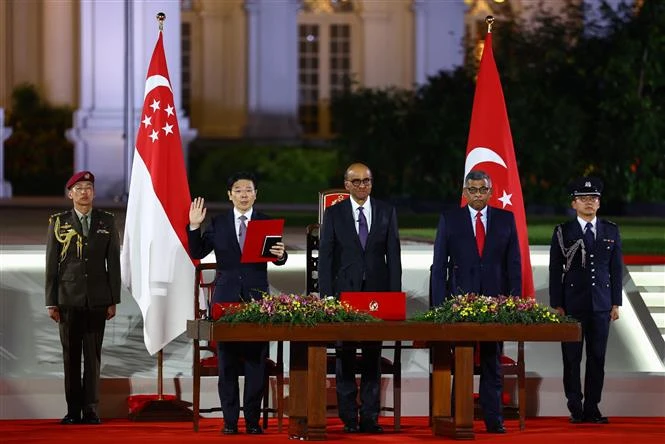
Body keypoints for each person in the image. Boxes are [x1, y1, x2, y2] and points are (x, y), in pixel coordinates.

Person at [188, 171, 287, 435]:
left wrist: (281, 254)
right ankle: (230, 421)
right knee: (227, 363)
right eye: (239, 190)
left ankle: (253, 421)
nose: (244, 194)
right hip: (226, 299)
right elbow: (197, 252)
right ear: (230, 195)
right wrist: (194, 226)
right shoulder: (219, 224)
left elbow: (277, 257)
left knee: (256, 362)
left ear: (256, 194)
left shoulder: (266, 223)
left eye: (249, 190)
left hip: (257, 299)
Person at [431, 170, 521, 434]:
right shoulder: (450, 219)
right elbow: (439, 267)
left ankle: (494, 419)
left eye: (482, 190)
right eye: (472, 189)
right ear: (464, 192)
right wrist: (439, 307)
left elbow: (513, 265)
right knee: (462, 360)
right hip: (460, 303)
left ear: (491, 192)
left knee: (492, 360)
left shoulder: (506, 219)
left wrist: (512, 302)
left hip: (496, 303)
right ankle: (460, 414)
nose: (478, 194)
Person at [318, 162, 402, 434]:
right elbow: (327, 258)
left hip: (377, 296)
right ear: (347, 185)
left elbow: (394, 258)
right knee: (345, 358)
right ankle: (348, 419)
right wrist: (327, 297)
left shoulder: (387, 211)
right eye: (356, 181)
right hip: (344, 294)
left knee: (372, 357)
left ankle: (369, 417)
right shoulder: (334, 214)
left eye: (366, 180)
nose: (362, 185)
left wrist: (394, 298)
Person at [45, 171, 121, 425]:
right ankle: (72, 410)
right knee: (71, 357)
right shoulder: (58, 222)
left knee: (93, 356)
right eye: (78, 188)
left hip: (98, 299)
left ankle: (90, 410)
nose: (84, 192)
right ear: (70, 194)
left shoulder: (107, 221)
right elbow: (51, 265)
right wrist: (51, 300)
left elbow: (113, 263)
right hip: (67, 299)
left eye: (88, 187)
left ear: (94, 193)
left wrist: (113, 299)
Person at [549, 177, 622, 425]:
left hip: (601, 305)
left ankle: (592, 407)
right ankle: (575, 406)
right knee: (571, 358)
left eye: (594, 198)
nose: (589, 202)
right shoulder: (562, 231)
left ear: (599, 203)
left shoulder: (611, 230)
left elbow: (615, 269)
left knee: (597, 358)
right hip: (571, 305)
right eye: (584, 198)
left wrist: (615, 303)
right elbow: (554, 269)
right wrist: (557, 304)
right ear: (574, 203)